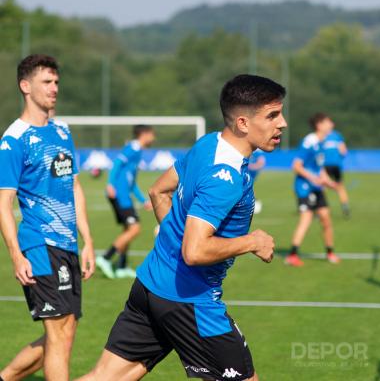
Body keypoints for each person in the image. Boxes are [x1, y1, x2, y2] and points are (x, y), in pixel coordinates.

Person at [77, 75, 284, 381]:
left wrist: (174, 238)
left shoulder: (208, 144)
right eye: (272, 115)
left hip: (149, 286)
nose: (282, 123)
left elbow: (158, 191)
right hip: (190, 301)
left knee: (104, 378)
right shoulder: (223, 177)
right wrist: (251, 241)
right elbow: (195, 250)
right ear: (242, 122)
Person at [0, 54, 95, 381]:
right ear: (25, 86)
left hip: (68, 245)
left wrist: (88, 241)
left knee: (66, 332)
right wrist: (15, 254)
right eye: (46, 82)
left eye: (56, 82)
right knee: (57, 334)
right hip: (39, 245)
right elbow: (4, 203)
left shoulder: (62, 130)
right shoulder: (14, 140)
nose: (54, 88)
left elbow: (75, 187)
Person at [96, 125, 156, 279]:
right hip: (119, 194)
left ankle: (122, 267)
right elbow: (116, 164)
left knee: (127, 230)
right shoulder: (132, 148)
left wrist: (143, 200)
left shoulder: (138, 151)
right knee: (134, 229)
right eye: (151, 134)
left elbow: (132, 182)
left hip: (125, 194)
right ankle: (105, 258)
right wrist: (110, 184)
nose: (153, 138)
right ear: (144, 134)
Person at [285, 113, 340, 267]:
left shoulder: (322, 143)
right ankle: (292, 255)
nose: (332, 125)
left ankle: (330, 253)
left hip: (316, 187)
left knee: (326, 219)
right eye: (329, 122)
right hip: (304, 187)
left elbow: (319, 169)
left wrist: (329, 182)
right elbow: (296, 166)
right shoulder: (309, 142)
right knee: (306, 218)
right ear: (319, 125)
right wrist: (312, 178)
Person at [322, 120, 350, 218]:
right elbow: (343, 151)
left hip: (325, 165)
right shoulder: (337, 136)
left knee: (323, 186)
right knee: (340, 187)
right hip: (336, 165)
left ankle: (321, 209)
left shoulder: (323, 136)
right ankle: (345, 207)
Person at [248, 149, 266, 214]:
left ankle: (255, 203)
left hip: (251, 174)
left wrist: (250, 166)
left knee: (248, 188)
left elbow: (261, 163)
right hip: (248, 173)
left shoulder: (257, 152)